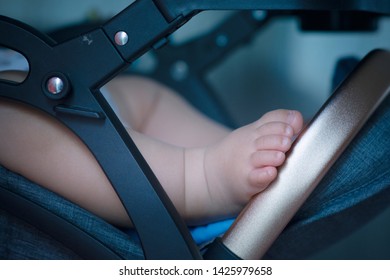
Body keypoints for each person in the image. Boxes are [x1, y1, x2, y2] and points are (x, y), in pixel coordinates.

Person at [0, 73, 303, 227]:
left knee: (144, 98)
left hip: (47, 74)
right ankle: (199, 177)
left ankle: (230, 150)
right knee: (14, 115)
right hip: (24, 98)